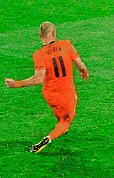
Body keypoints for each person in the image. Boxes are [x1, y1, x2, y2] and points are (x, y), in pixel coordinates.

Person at [4, 22, 89, 153]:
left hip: (49, 96)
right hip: (66, 95)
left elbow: (38, 78)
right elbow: (80, 65)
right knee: (66, 120)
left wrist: (16, 84)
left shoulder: (38, 54)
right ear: (54, 34)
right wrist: (83, 71)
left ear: (40, 35)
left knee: (59, 110)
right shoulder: (66, 44)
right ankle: (48, 138)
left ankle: (61, 128)